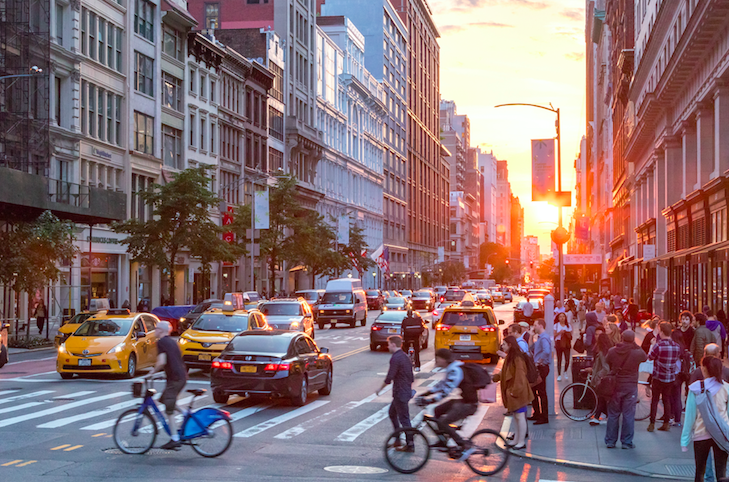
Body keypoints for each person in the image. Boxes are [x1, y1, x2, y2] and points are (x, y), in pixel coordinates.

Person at [415, 348, 477, 459]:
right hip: (463, 400)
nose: (436, 360)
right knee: (437, 410)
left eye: (437, 358)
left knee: (443, 422)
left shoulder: (455, 370)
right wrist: (426, 394)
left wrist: (430, 400)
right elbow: (441, 385)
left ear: (443, 359)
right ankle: (442, 440)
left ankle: (464, 444)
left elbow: (446, 390)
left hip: (469, 404)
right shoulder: (451, 368)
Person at [681, 356, 729, 482]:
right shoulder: (726, 388)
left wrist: (685, 440)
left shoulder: (696, 388)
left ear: (705, 369)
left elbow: (690, 416)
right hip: (722, 434)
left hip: (701, 434)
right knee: (722, 473)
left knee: (699, 472)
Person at [147, 320, 188, 450]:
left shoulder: (162, 342)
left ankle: (175, 438)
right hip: (179, 376)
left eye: (156, 328)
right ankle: (185, 413)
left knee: (168, 409)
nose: (155, 331)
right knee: (165, 400)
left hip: (175, 379)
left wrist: (152, 372)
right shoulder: (172, 341)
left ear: (161, 330)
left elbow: (162, 361)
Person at [605, 330, 648, 449]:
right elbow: (645, 357)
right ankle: (626, 441)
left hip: (616, 385)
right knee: (628, 415)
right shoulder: (637, 352)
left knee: (613, 414)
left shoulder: (613, 351)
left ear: (622, 338)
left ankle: (610, 441)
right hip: (631, 386)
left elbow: (607, 361)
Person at [493, 336, 534, 450]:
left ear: (510, 345)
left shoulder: (517, 358)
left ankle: (520, 442)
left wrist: (514, 392)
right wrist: (495, 377)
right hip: (515, 392)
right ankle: (517, 440)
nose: (503, 346)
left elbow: (520, 376)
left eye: (504, 344)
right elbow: (505, 372)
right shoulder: (512, 357)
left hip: (518, 392)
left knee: (520, 417)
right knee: (516, 417)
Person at [378, 336, 415, 451]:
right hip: (405, 391)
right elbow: (411, 377)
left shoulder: (396, 358)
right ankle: (397, 440)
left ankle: (410, 444)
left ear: (394, 344)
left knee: (404, 419)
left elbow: (390, 377)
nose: (388, 346)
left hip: (400, 393)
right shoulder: (405, 357)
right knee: (392, 413)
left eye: (389, 344)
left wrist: (380, 389)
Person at [647, 322, 681, 432]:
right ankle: (666, 422)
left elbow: (651, 357)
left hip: (658, 376)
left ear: (661, 331)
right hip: (670, 377)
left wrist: (652, 345)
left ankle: (652, 423)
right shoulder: (676, 346)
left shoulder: (658, 345)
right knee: (666, 399)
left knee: (655, 400)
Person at [529, 319, 552, 425]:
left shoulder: (543, 338)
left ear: (541, 326)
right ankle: (538, 413)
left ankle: (543, 416)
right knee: (535, 390)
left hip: (541, 367)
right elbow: (531, 347)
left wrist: (539, 361)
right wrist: (531, 335)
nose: (534, 327)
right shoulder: (539, 338)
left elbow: (547, 351)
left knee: (541, 391)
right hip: (540, 367)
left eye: (535, 325)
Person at [589, 333, 613, 426]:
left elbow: (605, 368)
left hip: (603, 379)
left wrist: (598, 375)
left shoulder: (602, 353)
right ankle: (600, 416)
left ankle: (597, 417)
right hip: (606, 379)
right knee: (602, 398)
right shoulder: (608, 351)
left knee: (601, 398)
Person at [554, 312, 572, 381]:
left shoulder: (568, 326)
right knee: (559, 359)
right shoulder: (556, 325)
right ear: (558, 318)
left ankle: (565, 371)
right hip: (559, 343)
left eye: (563, 316)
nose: (562, 318)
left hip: (566, 343)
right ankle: (559, 374)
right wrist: (560, 332)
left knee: (567, 359)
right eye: (560, 317)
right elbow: (554, 334)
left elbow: (570, 334)